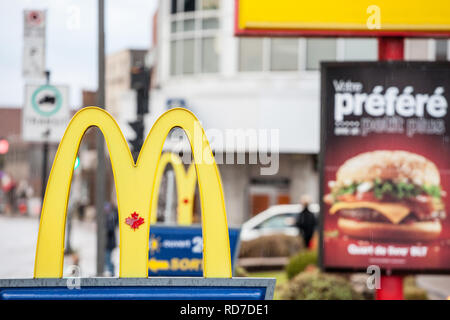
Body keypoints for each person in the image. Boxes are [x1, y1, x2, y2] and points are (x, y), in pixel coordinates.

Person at [104, 201, 118, 276]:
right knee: (108, 258)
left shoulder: (111, 217)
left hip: (110, 243)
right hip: (109, 243)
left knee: (108, 258)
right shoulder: (108, 217)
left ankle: (111, 272)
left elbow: (111, 229)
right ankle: (111, 271)